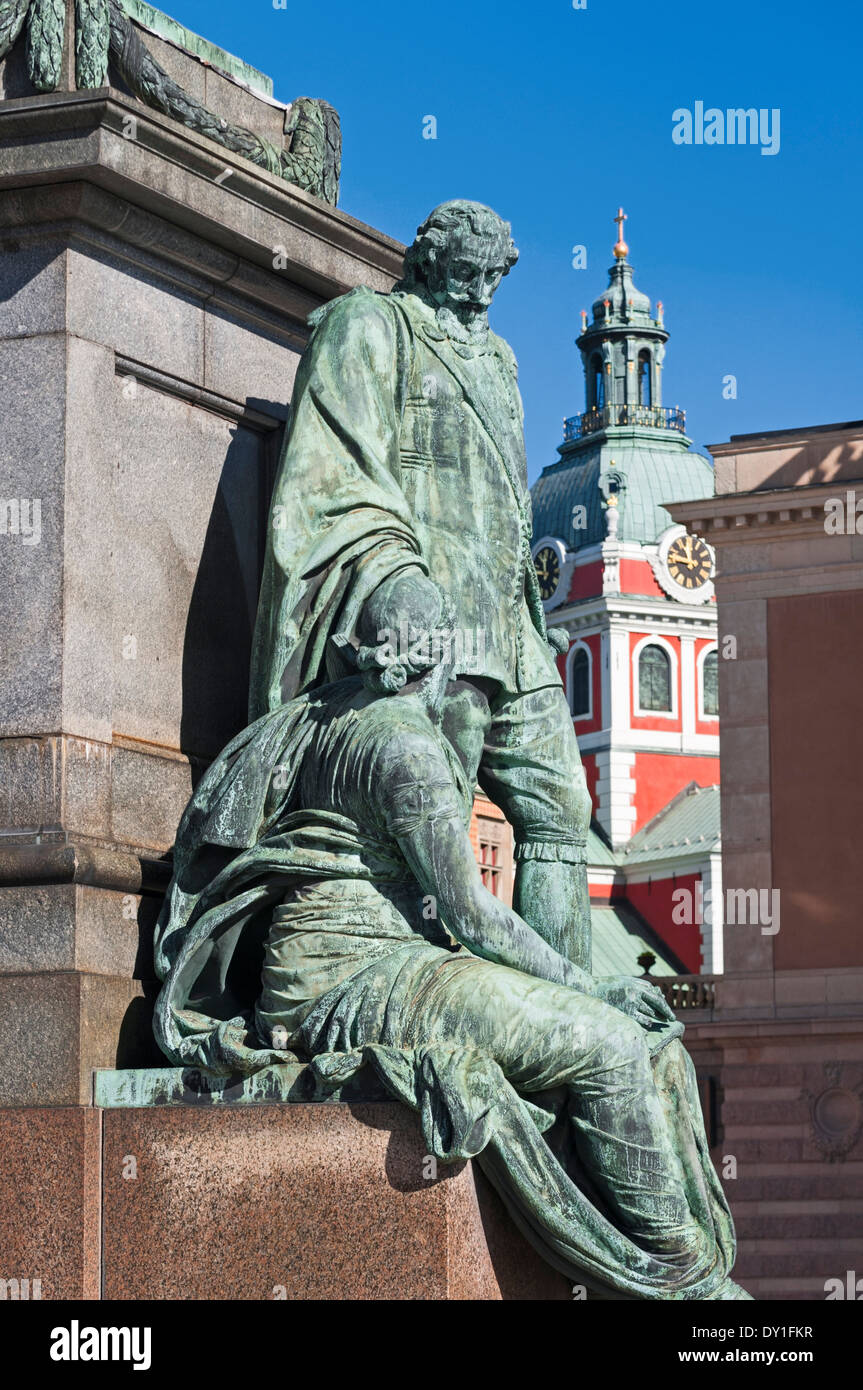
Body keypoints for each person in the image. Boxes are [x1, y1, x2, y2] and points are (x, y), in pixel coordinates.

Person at [154, 630, 750, 1300]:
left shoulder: (328, 713)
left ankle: (678, 1254)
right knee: (610, 1042)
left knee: (647, 1045)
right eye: (479, 686)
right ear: (438, 668)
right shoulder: (405, 744)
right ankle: (681, 1275)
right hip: (356, 979)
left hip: (358, 967)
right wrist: (594, 989)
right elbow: (471, 914)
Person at [248, 200, 592, 968]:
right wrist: (396, 583)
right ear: (428, 261)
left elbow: (503, 499)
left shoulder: (498, 359)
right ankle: (410, 970)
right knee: (437, 807)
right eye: (464, 275)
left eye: (492, 281)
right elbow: (332, 474)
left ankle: (568, 1006)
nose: (477, 294)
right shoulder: (369, 324)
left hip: (509, 624)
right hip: (433, 619)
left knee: (562, 805)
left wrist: (530, 617)